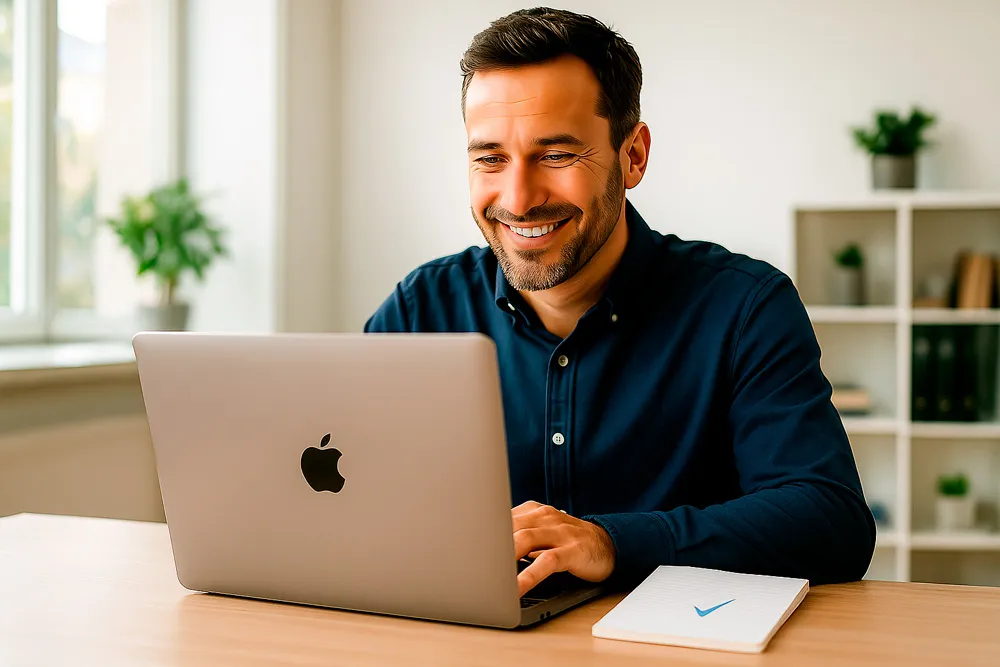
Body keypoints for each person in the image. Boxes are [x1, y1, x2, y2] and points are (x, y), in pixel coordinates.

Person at [365, 7, 875, 596]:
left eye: (556, 155)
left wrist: (612, 543)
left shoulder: (744, 307)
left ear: (632, 156)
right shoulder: (420, 309)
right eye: (490, 158)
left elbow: (830, 522)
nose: (519, 198)